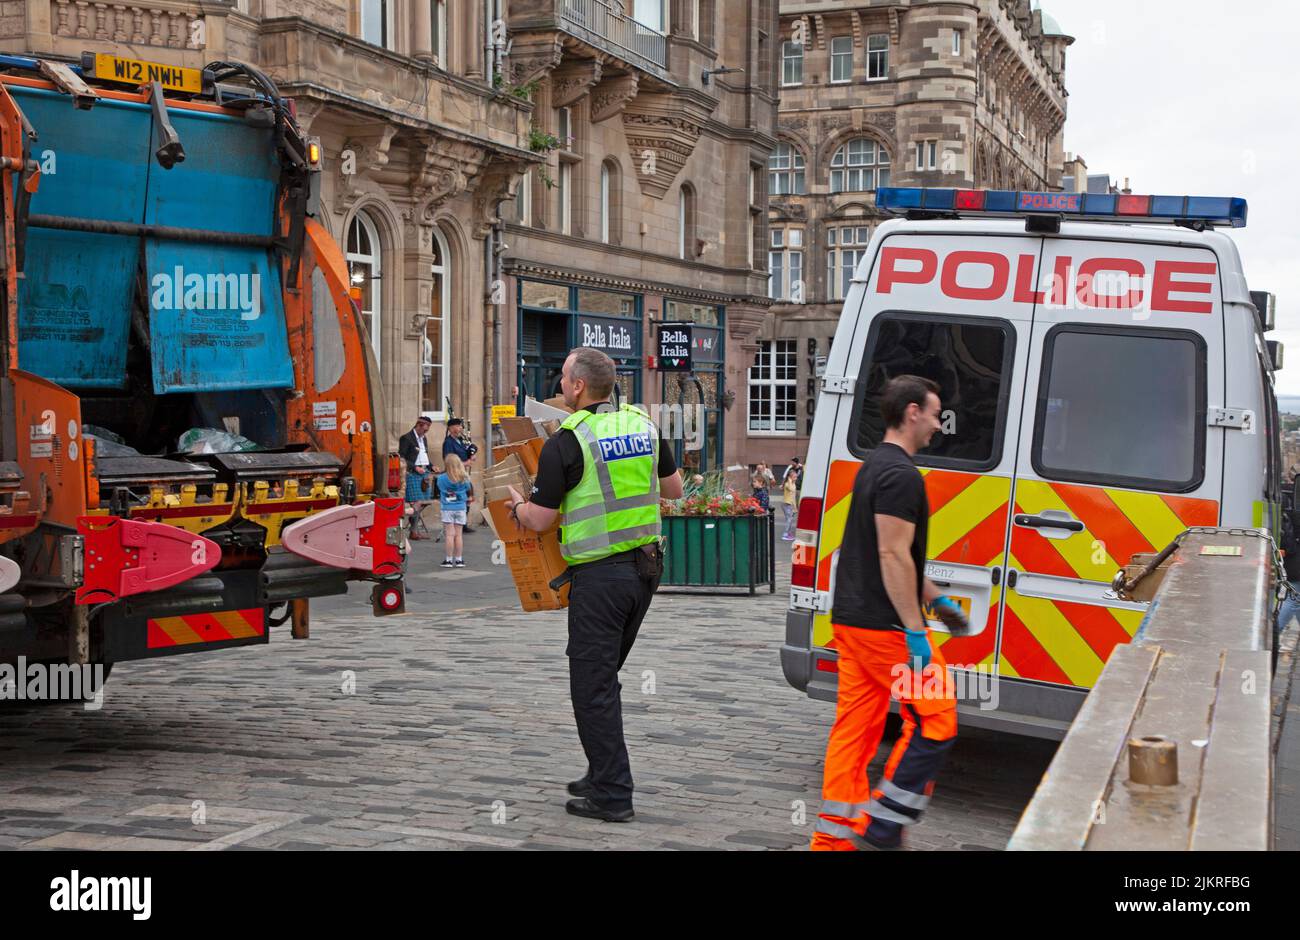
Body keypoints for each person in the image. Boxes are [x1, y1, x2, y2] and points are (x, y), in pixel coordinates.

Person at [505, 347, 683, 822]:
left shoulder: (569, 439)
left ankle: (613, 795)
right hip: (645, 572)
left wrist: (516, 507)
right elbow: (674, 489)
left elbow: (541, 520)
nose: (561, 385)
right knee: (603, 679)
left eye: (564, 377)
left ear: (579, 386)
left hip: (601, 578)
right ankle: (600, 773)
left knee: (592, 685)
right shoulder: (642, 425)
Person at [811, 375, 971, 851]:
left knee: (856, 730)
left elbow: (892, 552)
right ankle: (881, 825)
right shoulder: (901, 476)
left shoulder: (874, 466)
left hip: (854, 620)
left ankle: (833, 840)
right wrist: (917, 629)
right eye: (935, 414)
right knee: (936, 719)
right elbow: (892, 555)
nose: (939, 426)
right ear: (912, 413)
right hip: (885, 627)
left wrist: (935, 596)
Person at [398, 415, 435, 538]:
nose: (425, 432)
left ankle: (414, 530)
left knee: (422, 502)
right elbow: (401, 458)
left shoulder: (423, 439)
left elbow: (425, 457)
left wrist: (432, 466)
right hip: (412, 474)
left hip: (424, 474)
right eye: (424, 429)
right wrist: (414, 467)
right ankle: (413, 531)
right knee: (417, 502)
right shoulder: (406, 438)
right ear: (418, 425)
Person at [442, 418, 478, 531]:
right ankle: (454, 522)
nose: (460, 428)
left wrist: (472, 455)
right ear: (451, 428)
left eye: (460, 426)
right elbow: (448, 460)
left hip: (463, 474)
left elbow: (468, 449)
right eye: (457, 426)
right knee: (455, 497)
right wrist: (465, 463)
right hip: (454, 474)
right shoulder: (448, 442)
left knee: (467, 496)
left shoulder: (461, 440)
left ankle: (463, 523)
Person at [437, 454, 473, 568]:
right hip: (460, 507)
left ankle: (448, 560)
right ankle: (459, 559)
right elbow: (468, 488)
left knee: (449, 535)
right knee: (458, 535)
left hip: (447, 507)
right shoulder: (463, 477)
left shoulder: (441, 478)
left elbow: (439, 487)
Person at [781, 463, 799, 541]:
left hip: (791, 504)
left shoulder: (793, 484)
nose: (796, 478)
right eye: (794, 477)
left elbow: (793, 497)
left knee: (790, 519)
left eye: (796, 477)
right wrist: (789, 479)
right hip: (786, 504)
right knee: (789, 519)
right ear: (790, 477)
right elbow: (790, 489)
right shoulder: (787, 484)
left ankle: (788, 533)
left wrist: (795, 507)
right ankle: (785, 534)